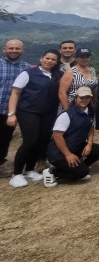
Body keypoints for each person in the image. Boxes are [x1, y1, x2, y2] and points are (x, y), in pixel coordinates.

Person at [6, 49, 63, 187]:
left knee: (41, 141)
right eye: (47, 58)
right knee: (30, 142)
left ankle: (30, 170)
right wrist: (11, 113)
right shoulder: (28, 73)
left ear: (56, 62)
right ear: (41, 58)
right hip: (28, 111)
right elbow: (15, 93)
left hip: (49, 113)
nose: (49, 61)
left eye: (53, 59)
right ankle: (17, 174)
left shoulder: (58, 75)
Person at [42, 87, 99, 187]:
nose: (84, 100)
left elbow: (90, 128)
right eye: (82, 97)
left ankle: (76, 169)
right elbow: (57, 136)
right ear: (76, 98)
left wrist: (89, 144)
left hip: (75, 147)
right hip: (59, 153)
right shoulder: (66, 115)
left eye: (87, 97)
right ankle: (52, 171)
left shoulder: (89, 112)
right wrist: (67, 155)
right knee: (83, 172)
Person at [0, 39, 30, 177]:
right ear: (4, 49)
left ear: (22, 50)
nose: (14, 51)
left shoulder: (27, 68)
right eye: (11, 48)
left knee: (5, 139)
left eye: (17, 48)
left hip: (12, 112)